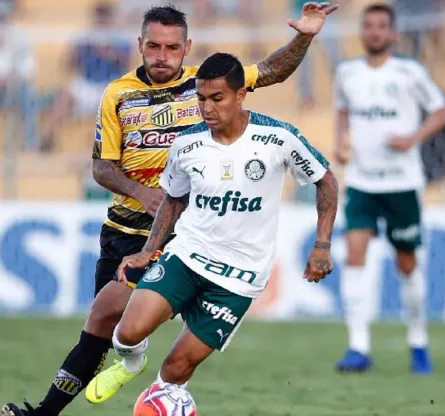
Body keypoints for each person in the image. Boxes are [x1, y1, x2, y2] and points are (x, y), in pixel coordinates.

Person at [1, 3, 338, 416]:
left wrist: (305, 35)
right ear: (140, 45)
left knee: (123, 321)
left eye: (172, 48)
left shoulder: (207, 84)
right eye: (154, 46)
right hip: (129, 227)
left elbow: (272, 70)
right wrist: (141, 193)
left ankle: (113, 401)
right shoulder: (118, 94)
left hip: (190, 233)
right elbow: (102, 167)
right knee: (105, 325)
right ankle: (85, 391)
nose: (163, 56)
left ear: (186, 47)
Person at [91, 51, 338, 397]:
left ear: (240, 95)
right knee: (127, 333)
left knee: (176, 369)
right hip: (187, 255)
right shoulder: (187, 143)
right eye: (201, 99)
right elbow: (174, 199)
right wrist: (148, 251)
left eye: (216, 98)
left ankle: (167, 399)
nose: (207, 109)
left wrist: (322, 245)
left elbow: (326, 180)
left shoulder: (278, 138)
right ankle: (132, 363)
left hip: (239, 276)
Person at [332, 3, 445, 374]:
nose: (374, 32)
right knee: (354, 253)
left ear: (393, 33)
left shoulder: (409, 71)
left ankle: (418, 341)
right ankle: (358, 347)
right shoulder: (347, 72)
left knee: (406, 263)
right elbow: (341, 110)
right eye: (369, 26)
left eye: (381, 26)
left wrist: (413, 137)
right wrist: (340, 142)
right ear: (362, 32)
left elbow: (441, 111)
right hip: (363, 182)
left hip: (402, 183)